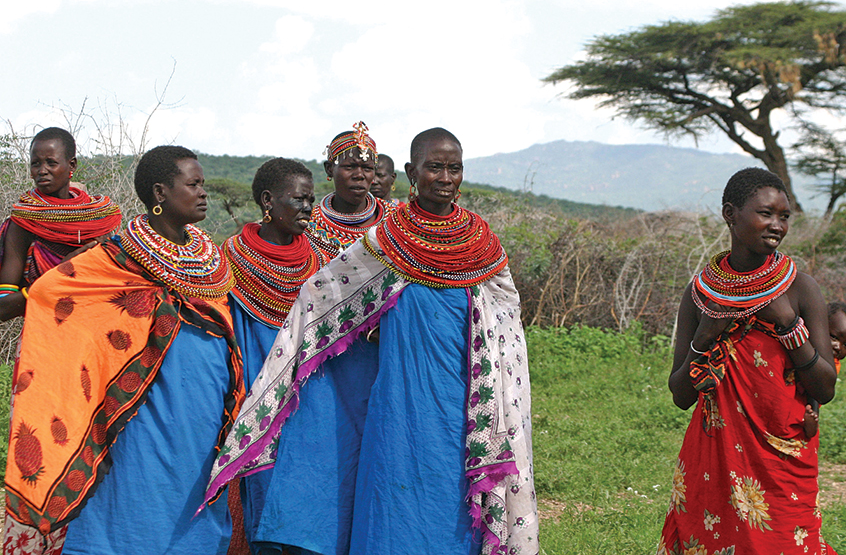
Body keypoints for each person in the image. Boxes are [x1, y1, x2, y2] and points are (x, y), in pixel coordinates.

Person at [205, 128, 539, 555]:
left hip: (469, 392)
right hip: (400, 394)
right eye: (434, 167)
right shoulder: (390, 237)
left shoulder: (480, 240)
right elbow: (323, 299)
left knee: (453, 483)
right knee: (397, 485)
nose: (445, 177)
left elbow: (505, 313)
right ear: (411, 173)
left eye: (453, 168)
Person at [3, 145, 244, 555]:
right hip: (142, 404)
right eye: (194, 184)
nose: (203, 192)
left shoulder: (210, 258)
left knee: (196, 490)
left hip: (202, 401)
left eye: (204, 183)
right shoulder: (117, 255)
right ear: (160, 192)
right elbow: (49, 292)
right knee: (139, 490)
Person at [660, 167, 837, 555]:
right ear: (730, 214)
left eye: (784, 216)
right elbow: (679, 394)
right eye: (765, 213)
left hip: (782, 455)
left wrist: (789, 325)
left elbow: (825, 388)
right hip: (714, 453)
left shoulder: (801, 289)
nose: (776, 225)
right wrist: (704, 339)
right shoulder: (700, 294)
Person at [222, 158, 317, 553]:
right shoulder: (231, 259)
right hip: (251, 393)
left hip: (302, 398)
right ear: (267, 200)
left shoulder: (315, 262)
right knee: (258, 486)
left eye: (311, 199)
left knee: (298, 489)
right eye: (299, 199)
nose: (308, 208)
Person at [0, 127, 121, 321]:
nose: (42, 171)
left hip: (96, 329)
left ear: (71, 165)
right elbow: (3, 307)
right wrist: (59, 276)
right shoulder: (24, 223)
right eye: (35, 164)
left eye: (51, 163)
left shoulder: (98, 219)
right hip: (44, 335)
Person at [306, 122, 392, 264]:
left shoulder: (394, 220)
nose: (359, 175)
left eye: (367, 168)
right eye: (349, 167)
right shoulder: (309, 227)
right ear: (329, 169)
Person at [803, 301, 846, 437]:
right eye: (834, 337)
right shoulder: (804, 342)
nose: (838, 347)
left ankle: (811, 424)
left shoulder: (834, 364)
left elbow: (817, 392)